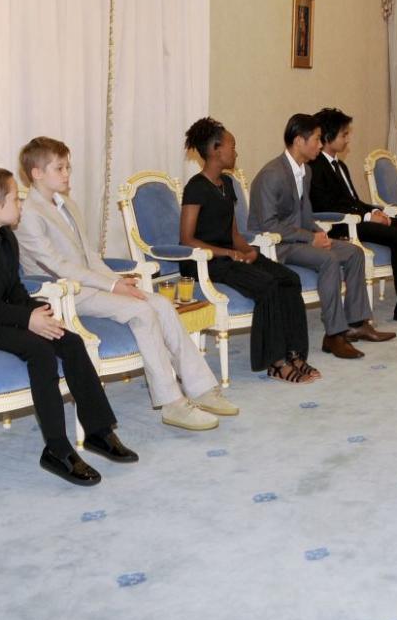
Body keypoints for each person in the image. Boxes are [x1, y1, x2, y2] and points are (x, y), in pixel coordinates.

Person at [15, 137, 235, 432]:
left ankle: (201, 388)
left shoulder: (66, 203)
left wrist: (115, 279)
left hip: (88, 285)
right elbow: (58, 266)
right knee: (142, 311)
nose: (67, 174)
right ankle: (173, 403)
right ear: (36, 173)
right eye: (60, 168)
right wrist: (113, 288)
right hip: (62, 292)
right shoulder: (28, 213)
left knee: (161, 304)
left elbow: (89, 256)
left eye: (68, 167)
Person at [0, 167, 136, 487]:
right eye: (14, 198)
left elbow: (14, 289)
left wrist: (38, 312)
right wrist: (26, 319)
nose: (20, 204)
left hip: (5, 317)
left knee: (70, 340)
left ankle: (99, 431)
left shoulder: (5, 238)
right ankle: (57, 449)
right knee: (39, 350)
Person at [180, 118, 318, 384]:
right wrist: (229, 254)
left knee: (289, 279)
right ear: (215, 150)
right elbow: (186, 240)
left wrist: (247, 250)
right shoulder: (196, 187)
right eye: (232, 146)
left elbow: (233, 233)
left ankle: (294, 353)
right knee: (267, 285)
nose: (236, 151)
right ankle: (275, 362)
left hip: (230, 255)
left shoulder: (228, 185)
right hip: (205, 261)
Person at [249, 113, 396, 360]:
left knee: (353, 252)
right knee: (327, 259)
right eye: (316, 139)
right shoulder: (272, 174)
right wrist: (310, 239)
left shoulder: (304, 171)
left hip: (299, 239)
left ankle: (357, 322)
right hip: (277, 245)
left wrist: (320, 233)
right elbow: (267, 225)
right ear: (299, 141)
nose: (320, 144)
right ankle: (334, 335)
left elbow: (305, 215)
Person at [309, 107, 397, 326]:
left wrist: (374, 210)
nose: (348, 139)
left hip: (358, 217)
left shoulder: (340, 166)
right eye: (344, 134)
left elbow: (353, 201)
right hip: (341, 225)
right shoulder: (315, 167)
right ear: (328, 137)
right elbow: (327, 206)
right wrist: (368, 217)